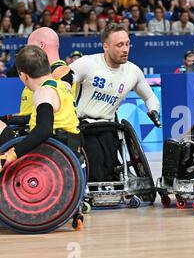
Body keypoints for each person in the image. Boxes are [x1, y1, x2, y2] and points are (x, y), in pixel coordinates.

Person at [70, 23, 161, 182]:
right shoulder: (87, 63)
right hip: (82, 126)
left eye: (127, 44)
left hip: (108, 126)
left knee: (110, 166)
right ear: (106, 46)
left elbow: (150, 97)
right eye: (119, 45)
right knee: (95, 162)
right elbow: (61, 79)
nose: (125, 49)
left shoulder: (133, 71)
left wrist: (153, 110)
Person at [0, 45, 81, 173]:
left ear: (23, 76)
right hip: (70, 147)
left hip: (50, 153)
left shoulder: (43, 92)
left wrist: (12, 155)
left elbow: (44, 130)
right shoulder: (61, 86)